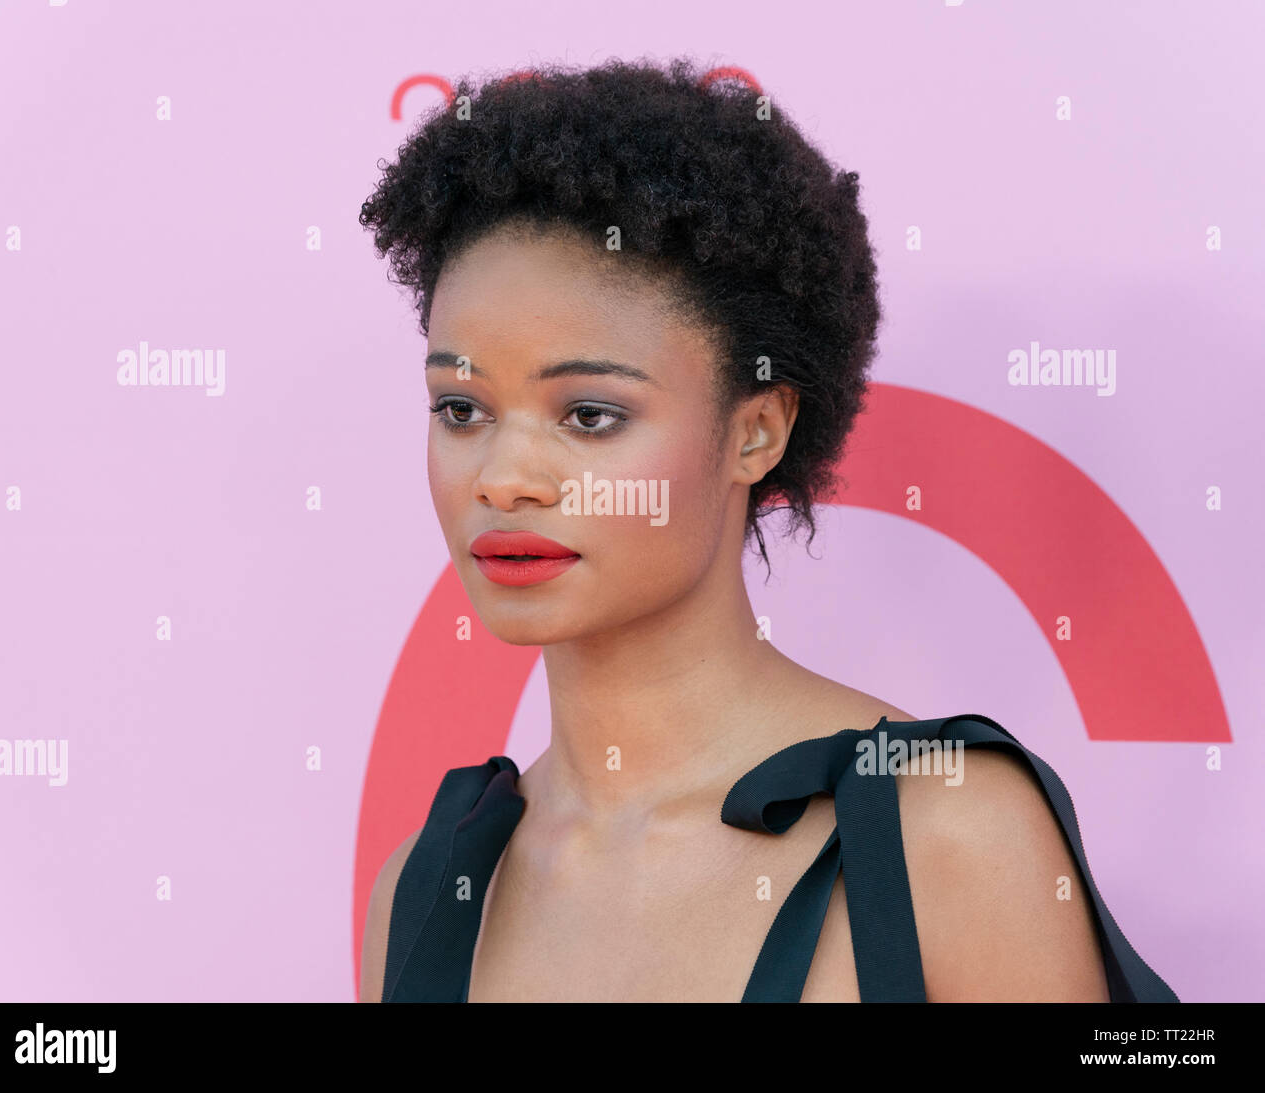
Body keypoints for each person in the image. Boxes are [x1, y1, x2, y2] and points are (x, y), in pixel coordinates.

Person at [355, 57, 1177, 1002]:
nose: (503, 478)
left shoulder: (945, 832)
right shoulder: (428, 891)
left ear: (756, 431)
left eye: (590, 414)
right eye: (461, 409)